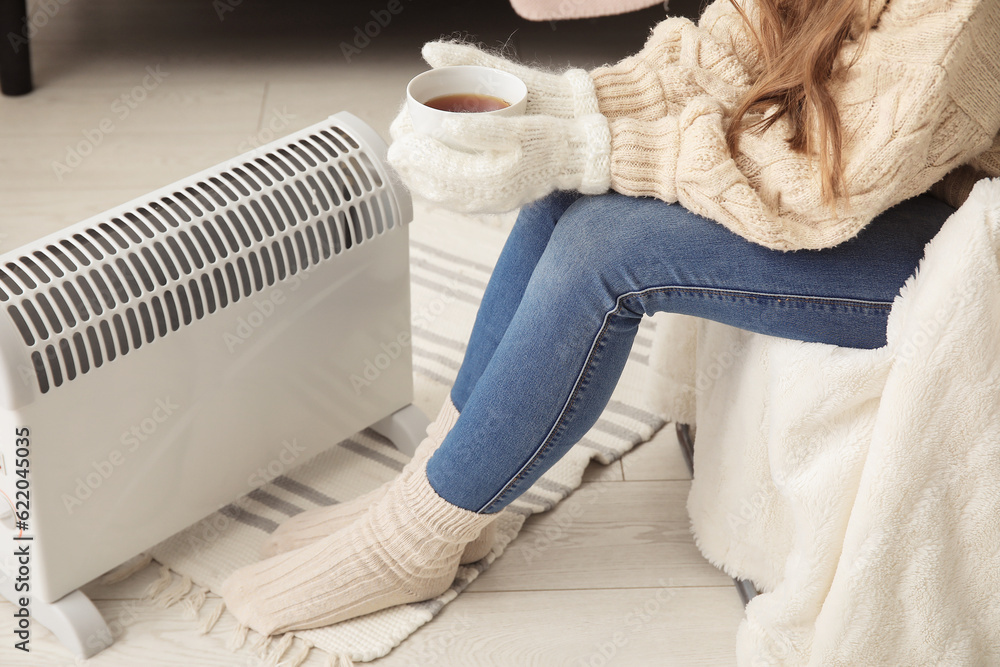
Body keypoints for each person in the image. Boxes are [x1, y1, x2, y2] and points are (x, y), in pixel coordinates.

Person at [220, 0, 1000, 636]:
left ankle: (411, 538)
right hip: (867, 183)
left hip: (943, 228)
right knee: (567, 186)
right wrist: (562, 109)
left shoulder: (963, 19)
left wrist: (598, 147)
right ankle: (440, 475)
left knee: (604, 248)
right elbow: (722, 57)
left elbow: (815, 186)